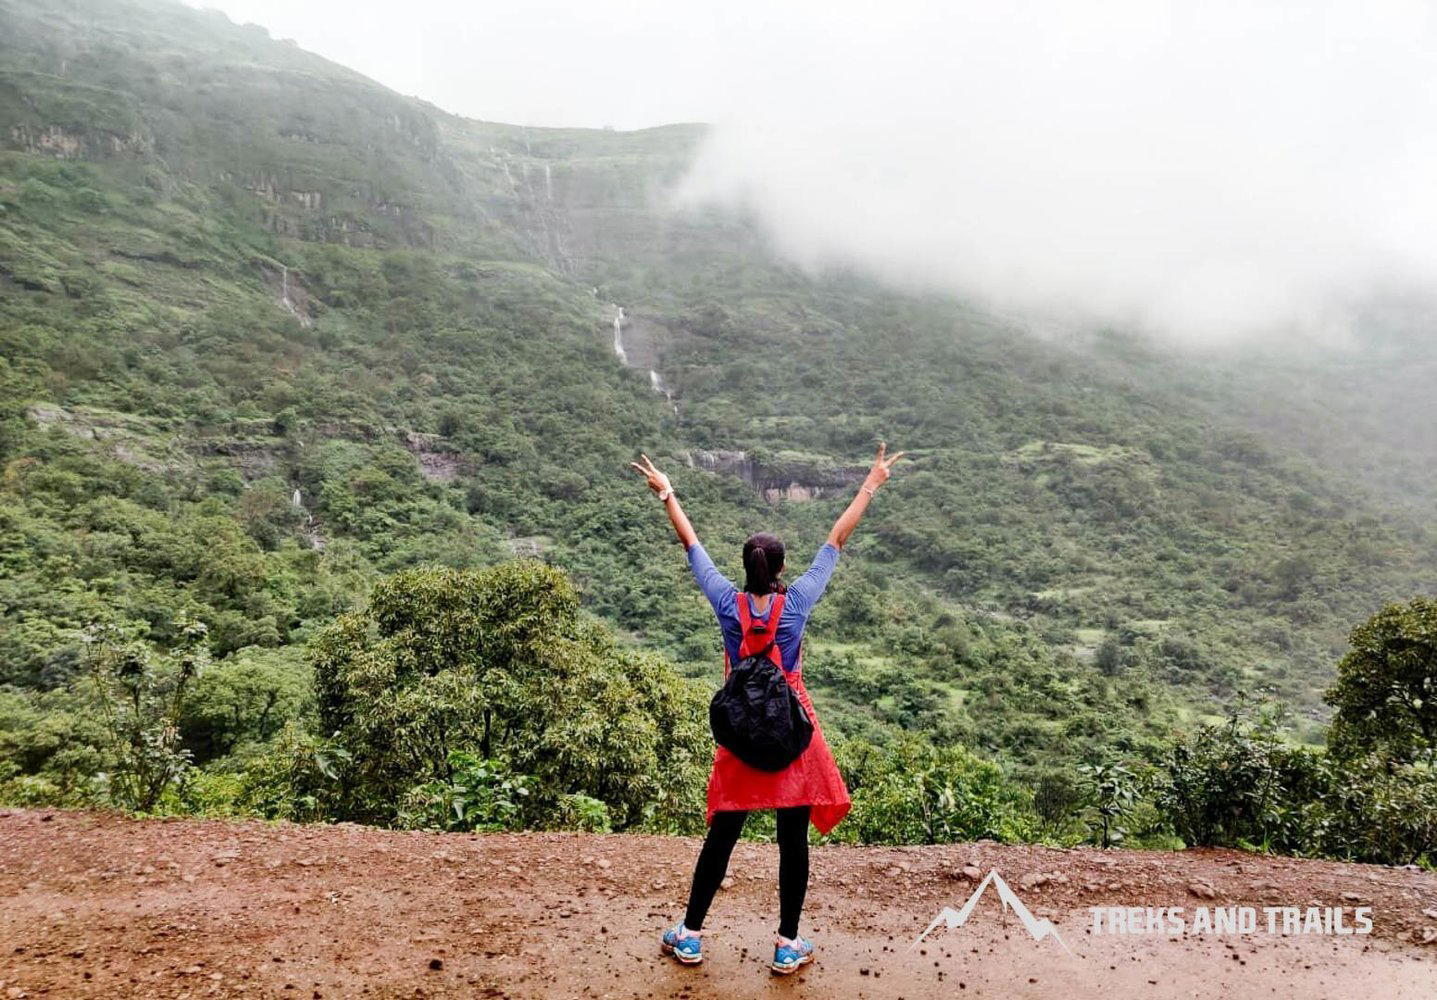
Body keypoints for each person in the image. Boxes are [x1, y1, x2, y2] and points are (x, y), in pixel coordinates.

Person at [630, 443, 905, 975]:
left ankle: (689, 935)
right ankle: (786, 943)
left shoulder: (726, 602)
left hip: (741, 729)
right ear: (779, 568)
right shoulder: (796, 602)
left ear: (746, 568)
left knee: (724, 835)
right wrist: (872, 482)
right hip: (791, 727)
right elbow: (836, 539)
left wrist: (667, 493)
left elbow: (692, 546)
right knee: (791, 838)